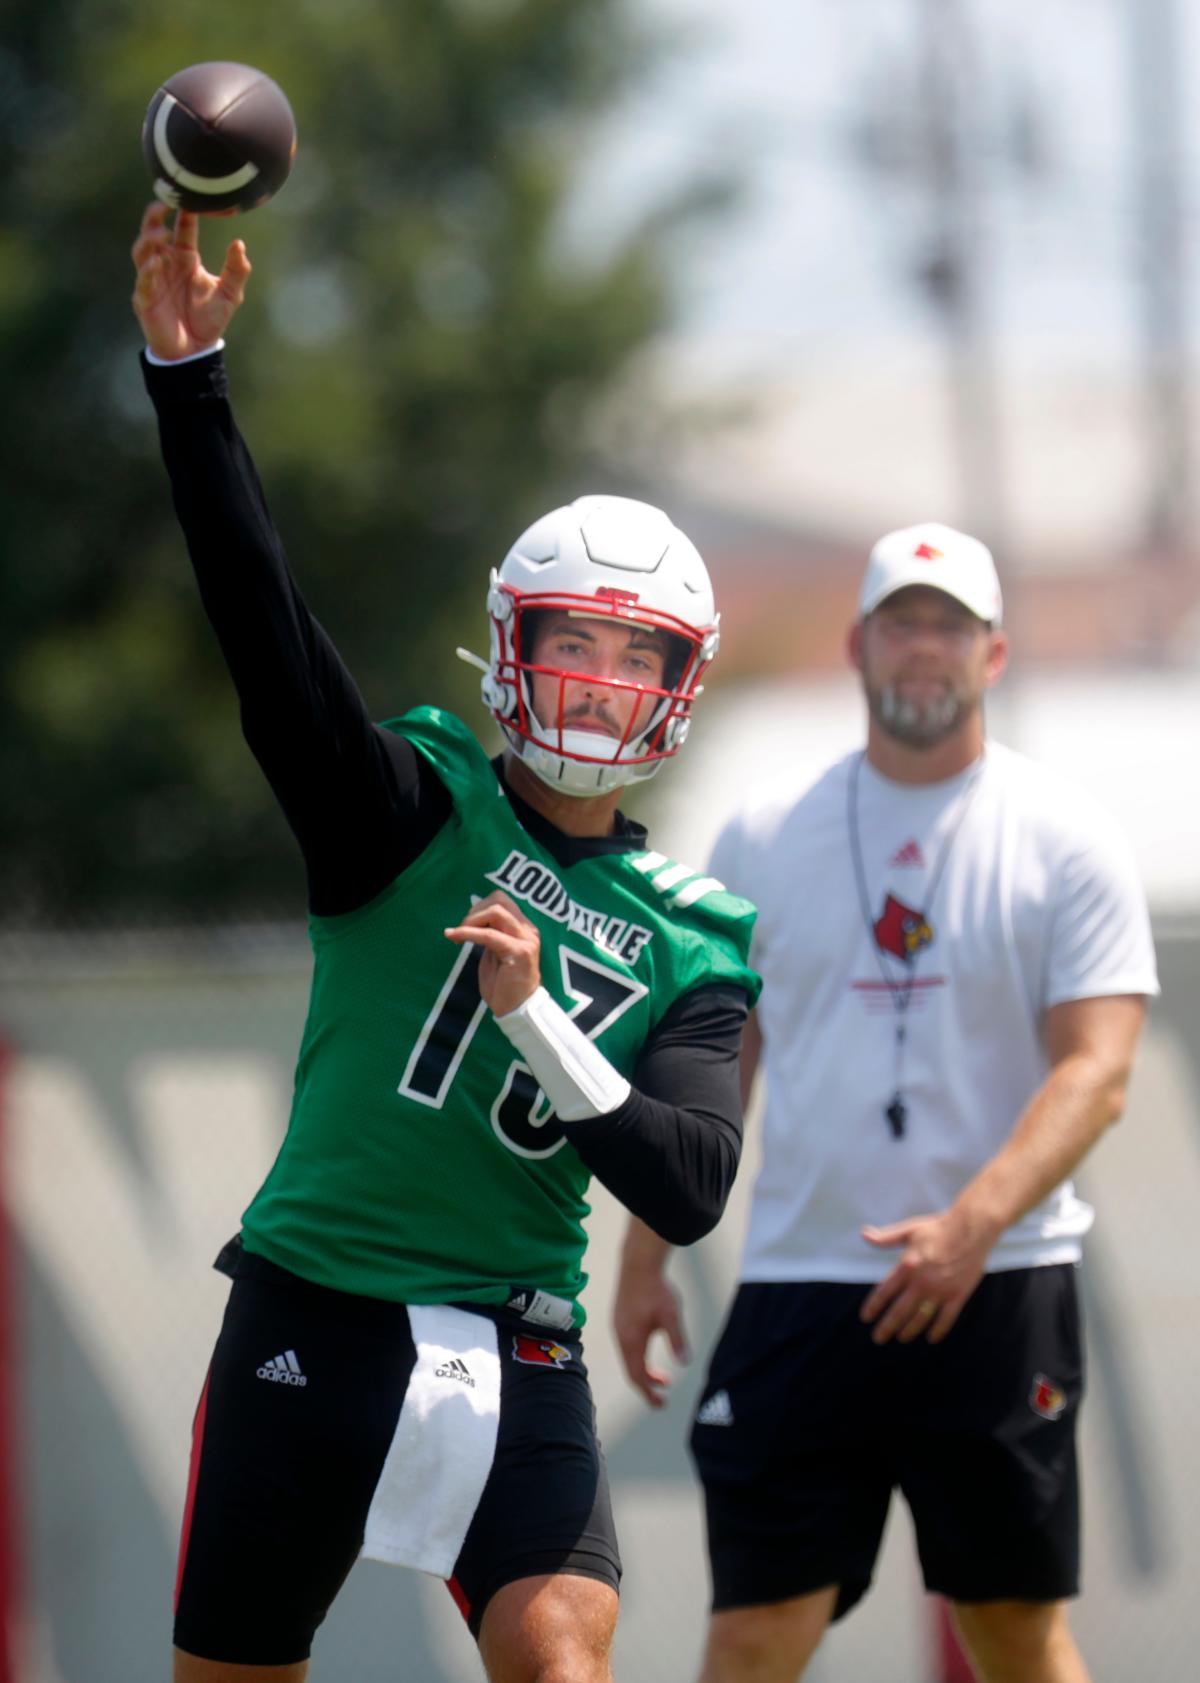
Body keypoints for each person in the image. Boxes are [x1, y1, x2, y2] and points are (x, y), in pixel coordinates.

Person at [130, 201, 760, 1683]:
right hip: (316, 1315)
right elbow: (266, 638)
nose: (604, 685)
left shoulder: (695, 934)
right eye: (577, 643)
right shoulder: (412, 809)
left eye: (640, 655)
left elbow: (691, 1173)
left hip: (516, 1343)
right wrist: (190, 383)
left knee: (564, 1659)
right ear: (513, 645)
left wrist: (541, 1018)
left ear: (682, 683)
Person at [613, 521, 1158, 1683]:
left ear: (994, 655)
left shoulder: (1068, 838)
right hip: (805, 1284)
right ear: (859, 646)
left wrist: (972, 1227)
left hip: (1000, 1285)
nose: (924, 649)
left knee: (1010, 1630)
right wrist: (645, 1259)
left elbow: (1098, 1068)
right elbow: (716, 1063)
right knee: (754, 1633)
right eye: (902, 623)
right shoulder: (761, 833)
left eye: (949, 627)